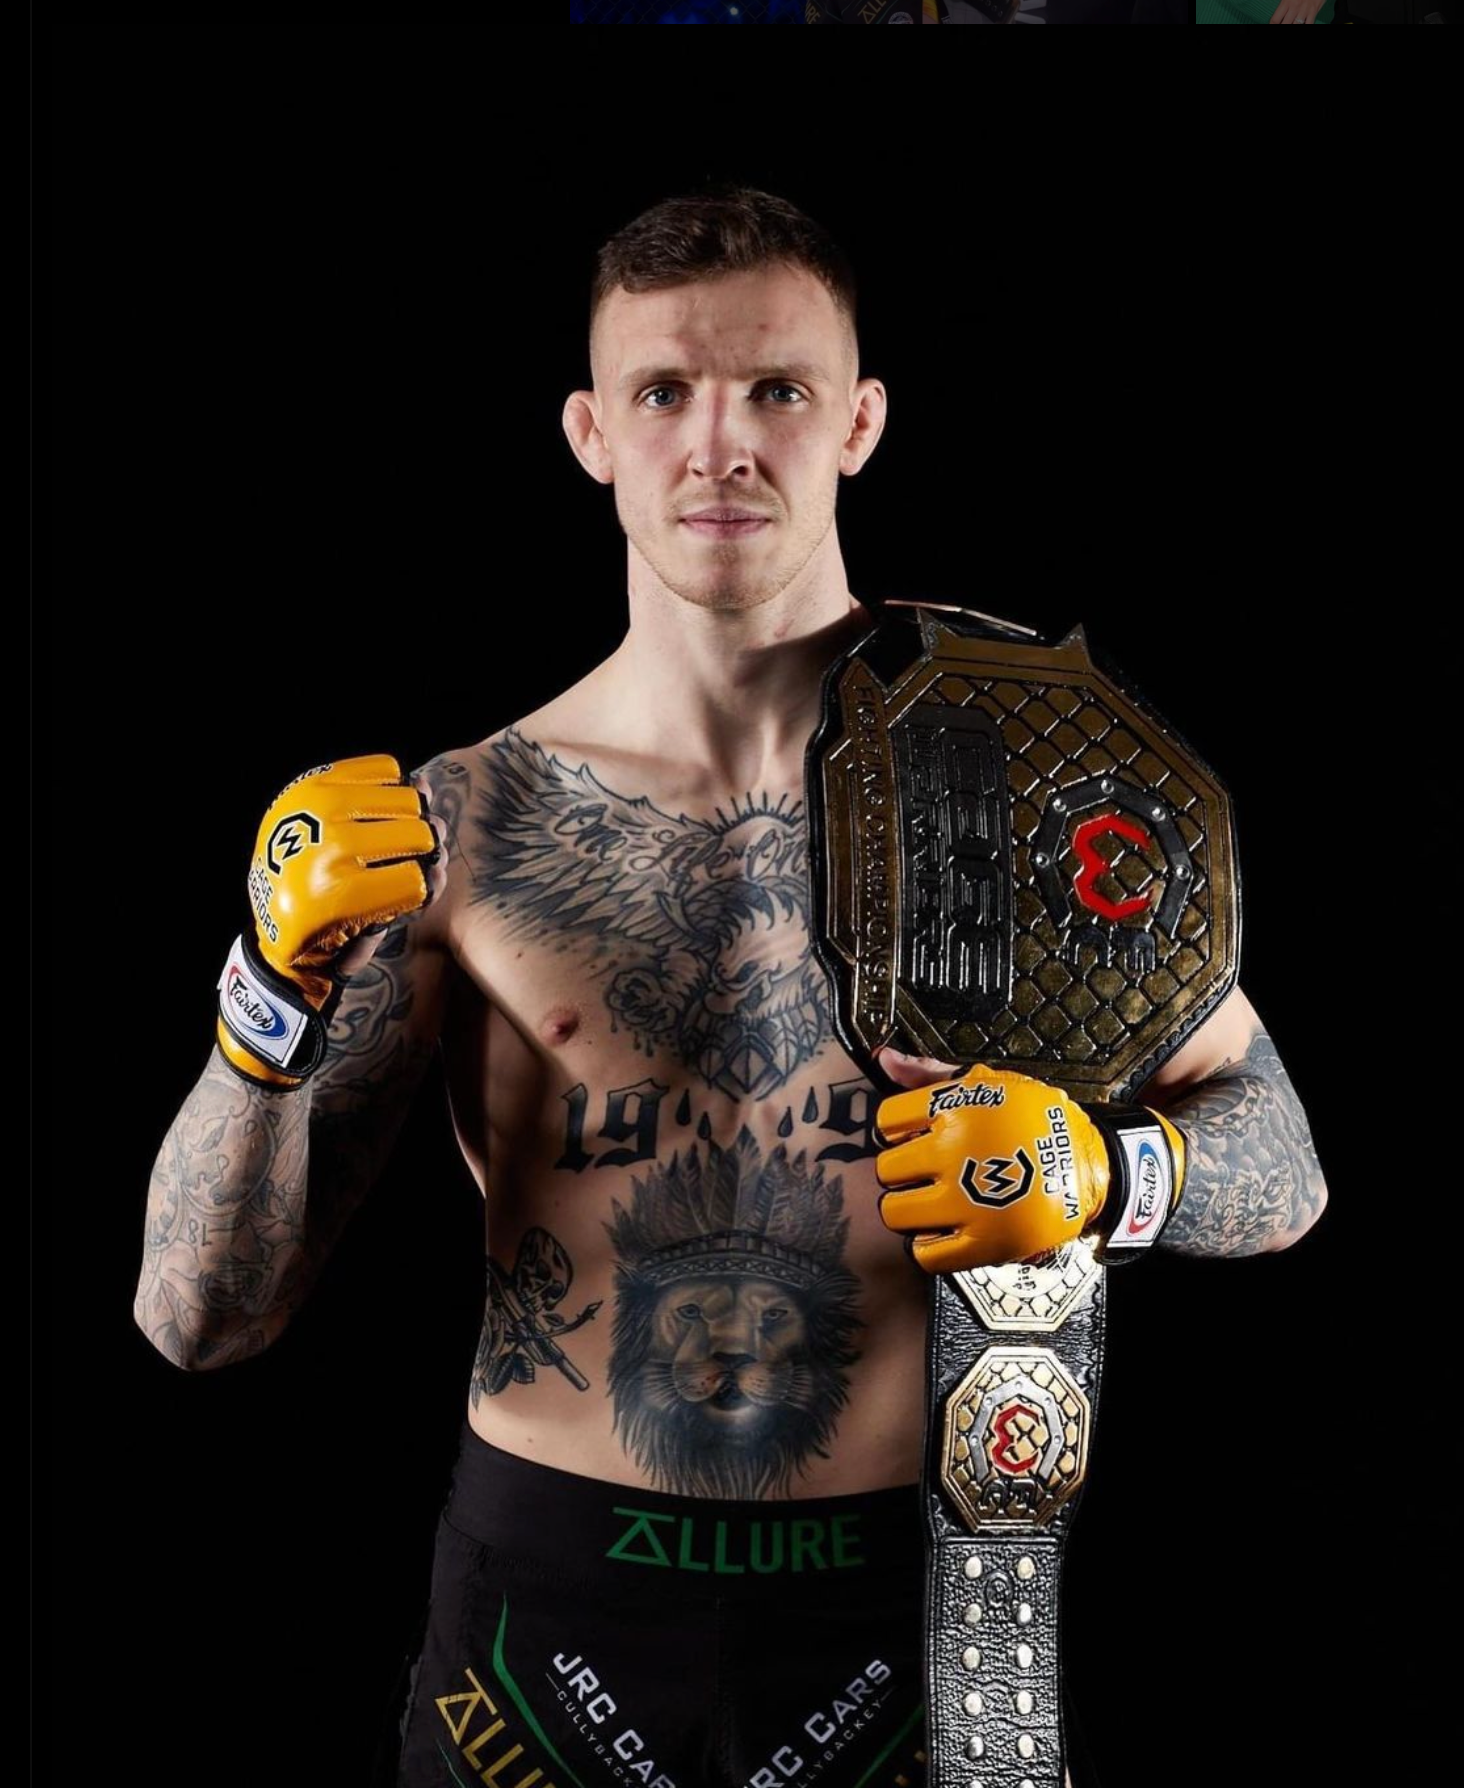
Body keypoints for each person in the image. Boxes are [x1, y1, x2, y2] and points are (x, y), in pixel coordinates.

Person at [133, 184, 1329, 1788]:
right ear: (590, 432)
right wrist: (265, 996)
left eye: (776, 388)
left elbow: (1286, 1164)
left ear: (859, 422)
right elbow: (198, 1320)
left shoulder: (1015, 776)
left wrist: (1113, 1176)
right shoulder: (463, 826)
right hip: (542, 1618)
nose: (719, 446)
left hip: (919, 1604)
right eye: (663, 392)